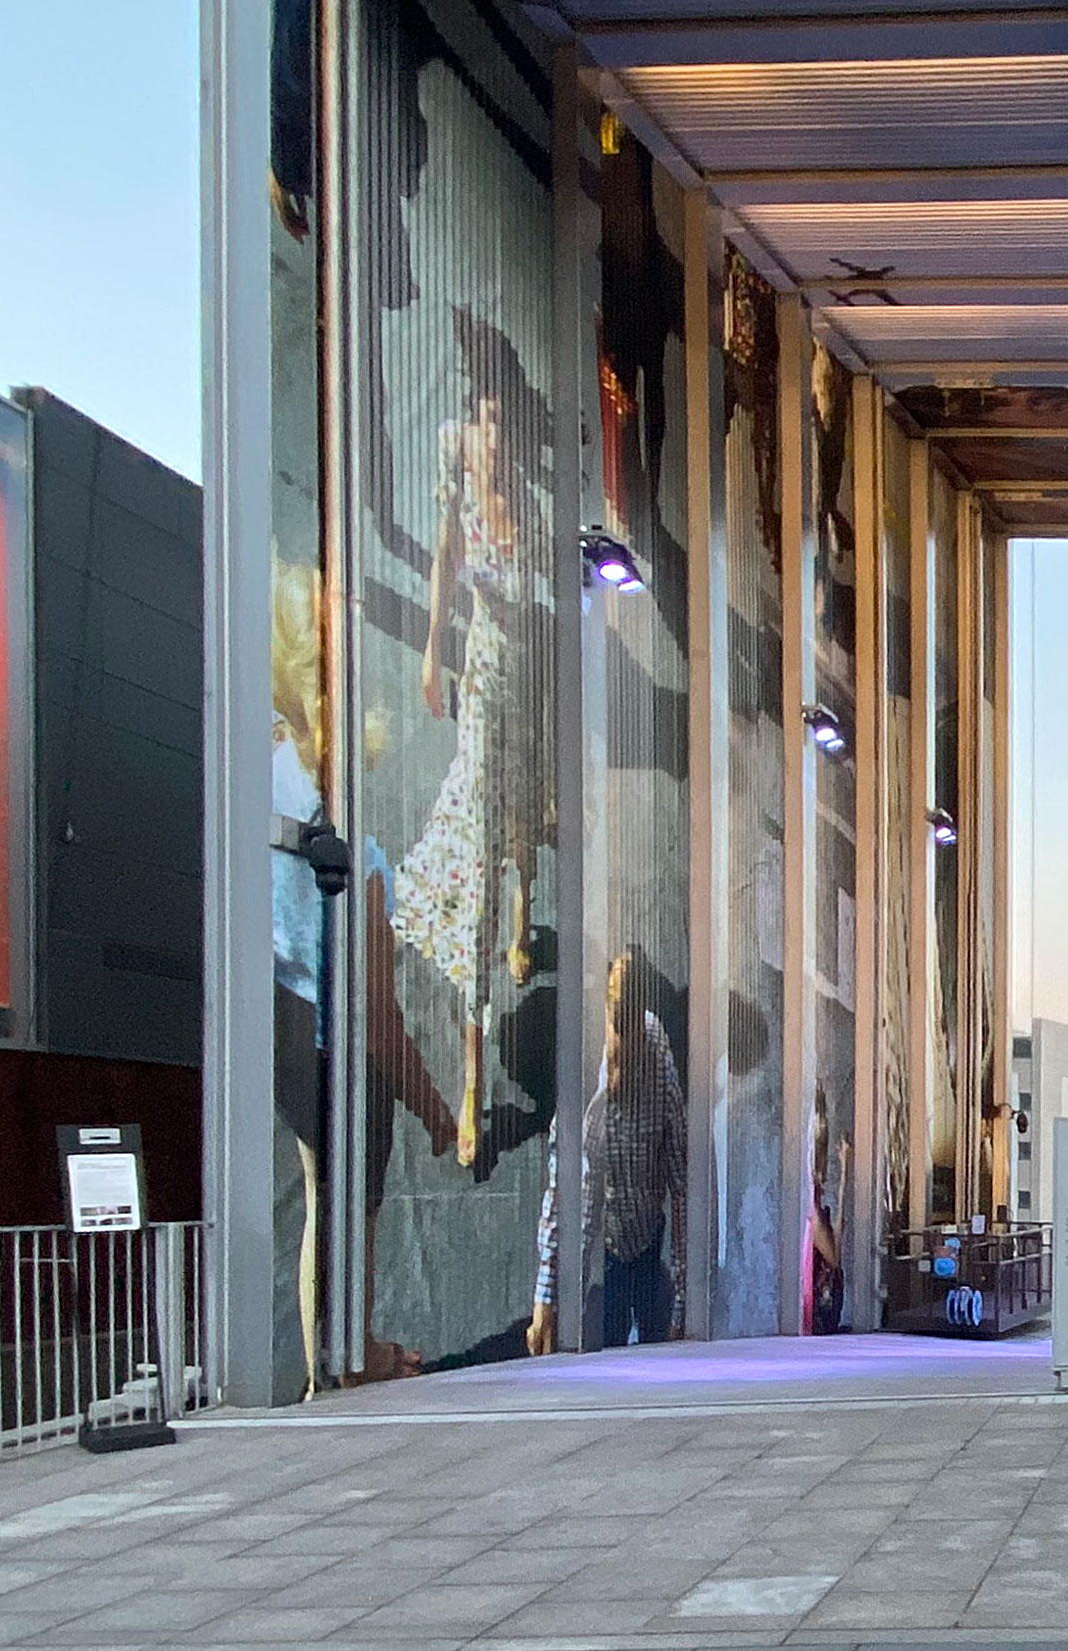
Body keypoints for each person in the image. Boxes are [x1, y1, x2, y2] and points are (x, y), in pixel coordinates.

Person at [389, 311, 542, 1170]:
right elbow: (446, 551)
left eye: (502, 425)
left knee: (524, 814)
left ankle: (524, 910)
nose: (492, 438)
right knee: (477, 854)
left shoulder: (531, 504)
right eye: (485, 418)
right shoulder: (454, 450)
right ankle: (474, 1076)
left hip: (525, 675)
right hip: (483, 670)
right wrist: (431, 646)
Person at [531, 954, 688, 1353]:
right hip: (603, 1249)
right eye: (617, 1028)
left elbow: (682, 1185)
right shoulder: (583, 1063)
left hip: (646, 1239)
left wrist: (682, 1307)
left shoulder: (658, 1061)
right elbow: (567, 1191)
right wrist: (548, 1298)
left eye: (630, 1031)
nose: (623, 1048)